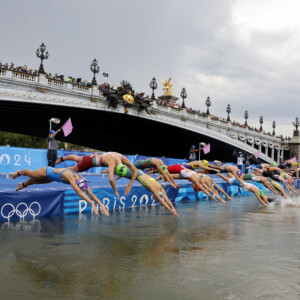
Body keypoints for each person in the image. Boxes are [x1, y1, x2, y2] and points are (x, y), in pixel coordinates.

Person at [11, 167, 109, 217]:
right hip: (47, 171)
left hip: (52, 178)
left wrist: (101, 204)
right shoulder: (70, 177)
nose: (82, 189)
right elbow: (79, 192)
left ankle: (22, 185)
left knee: (36, 181)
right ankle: (18, 173)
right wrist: (91, 203)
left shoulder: (82, 179)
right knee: (32, 174)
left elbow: (90, 193)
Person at [56, 152, 139, 199]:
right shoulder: (112, 163)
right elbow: (111, 179)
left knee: (78, 158)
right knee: (74, 169)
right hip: (89, 162)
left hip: (94, 155)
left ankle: (62, 159)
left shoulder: (123, 158)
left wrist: (130, 185)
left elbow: (135, 171)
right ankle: (60, 171)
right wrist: (115, 191)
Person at [114, 164, 179, 217]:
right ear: (156, 195)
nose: (153, 195)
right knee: (117, 170)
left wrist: (173, 208)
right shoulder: (153, 189)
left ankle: (115, 174)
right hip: (136, 175)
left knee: (121, 170)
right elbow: (162, 201)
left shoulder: (161, 188)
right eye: (155, 196)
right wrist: (171, 210)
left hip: (140, 172)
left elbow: (166, 199)